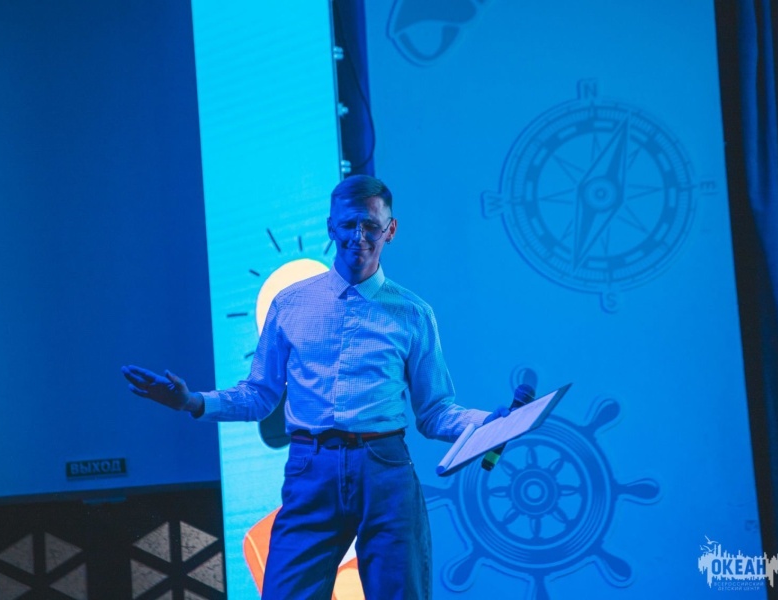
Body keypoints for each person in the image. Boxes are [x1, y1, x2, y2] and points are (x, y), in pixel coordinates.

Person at [122, 174, 508, 599]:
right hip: (312, 468)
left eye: (370, 225)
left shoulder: (413, 314)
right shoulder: (290, 304)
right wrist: (193, 401)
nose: (358, 237)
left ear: (390, 230)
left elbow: (434, 412)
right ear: (330, 227)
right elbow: (259, 395)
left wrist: (488, 425)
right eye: (348, 224)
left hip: (384, 469)